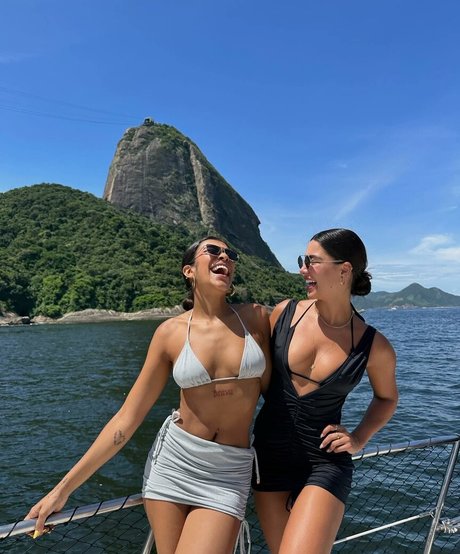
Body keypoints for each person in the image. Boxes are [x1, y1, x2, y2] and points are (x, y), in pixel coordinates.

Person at [25, 236, 271, 554]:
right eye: (212, 250)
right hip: (173, 463)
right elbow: (127, 419)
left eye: (230, 253)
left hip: (228, 471)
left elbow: (296, 369)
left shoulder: (255, 318)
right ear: (189, 271)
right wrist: (62, 490)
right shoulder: (169, 333)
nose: (224, 256)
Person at [252, 228, 398, 554]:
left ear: (344, 270)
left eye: (312, 262)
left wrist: (359, 438)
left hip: (325, 462)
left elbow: (387, 397)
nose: (303, 270)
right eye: (302, 261)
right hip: (268, 457)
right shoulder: (284, 313)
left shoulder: (374, 346)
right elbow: (255, 377)